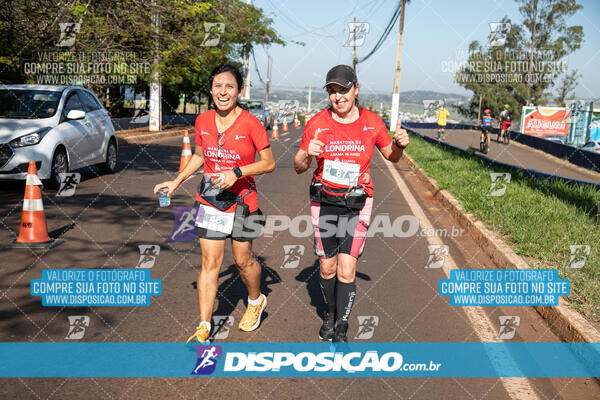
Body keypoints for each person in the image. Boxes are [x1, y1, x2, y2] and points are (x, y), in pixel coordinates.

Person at [154, 64, 276, 343]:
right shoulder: (203, 121)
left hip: (244, 202)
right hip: (210, 201)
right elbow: (199, 156)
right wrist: (176, 181)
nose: (223, 92)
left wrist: (236, 173)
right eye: (218, 86)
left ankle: (256, 301)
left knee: (244, 262)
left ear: (239, 91)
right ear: (211, 90)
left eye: (229, 87)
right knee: (210, 262)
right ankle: (203, 327)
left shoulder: (251, 123)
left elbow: (268, 164)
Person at [293, 65, 409, 342]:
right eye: (332, 91)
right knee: (327, 267)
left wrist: (400, 145)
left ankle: (342, 325)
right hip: (324, 201)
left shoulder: (372, 122)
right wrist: (307, 154)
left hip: (357, 202)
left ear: (356, 89)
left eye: (343, 90)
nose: (338, 97)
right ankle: (330, 315)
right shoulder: (318, 122)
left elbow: (391, 156)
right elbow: (298, 166)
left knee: (347, 268)